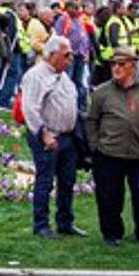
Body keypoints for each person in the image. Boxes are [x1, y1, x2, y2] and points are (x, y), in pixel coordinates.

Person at [85, 46, 139, 246]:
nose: (116, 68)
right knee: (110, 198)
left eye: (121, 64)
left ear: (133, 66)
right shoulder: (102, 92)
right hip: (109, 153)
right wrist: (96, 146)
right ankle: (112, 234)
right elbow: (91, 120)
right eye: (113, 64)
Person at [19, 33, 83, 238]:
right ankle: (41, 225)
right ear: (53, 54)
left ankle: (65, 222)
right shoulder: (35, 76)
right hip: (49, 136)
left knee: (67, 181)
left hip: (67, 136)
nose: (70, 59)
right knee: (45, 181)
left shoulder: (63, 75)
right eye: (67, 55)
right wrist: (43, 134)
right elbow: (30, 108)